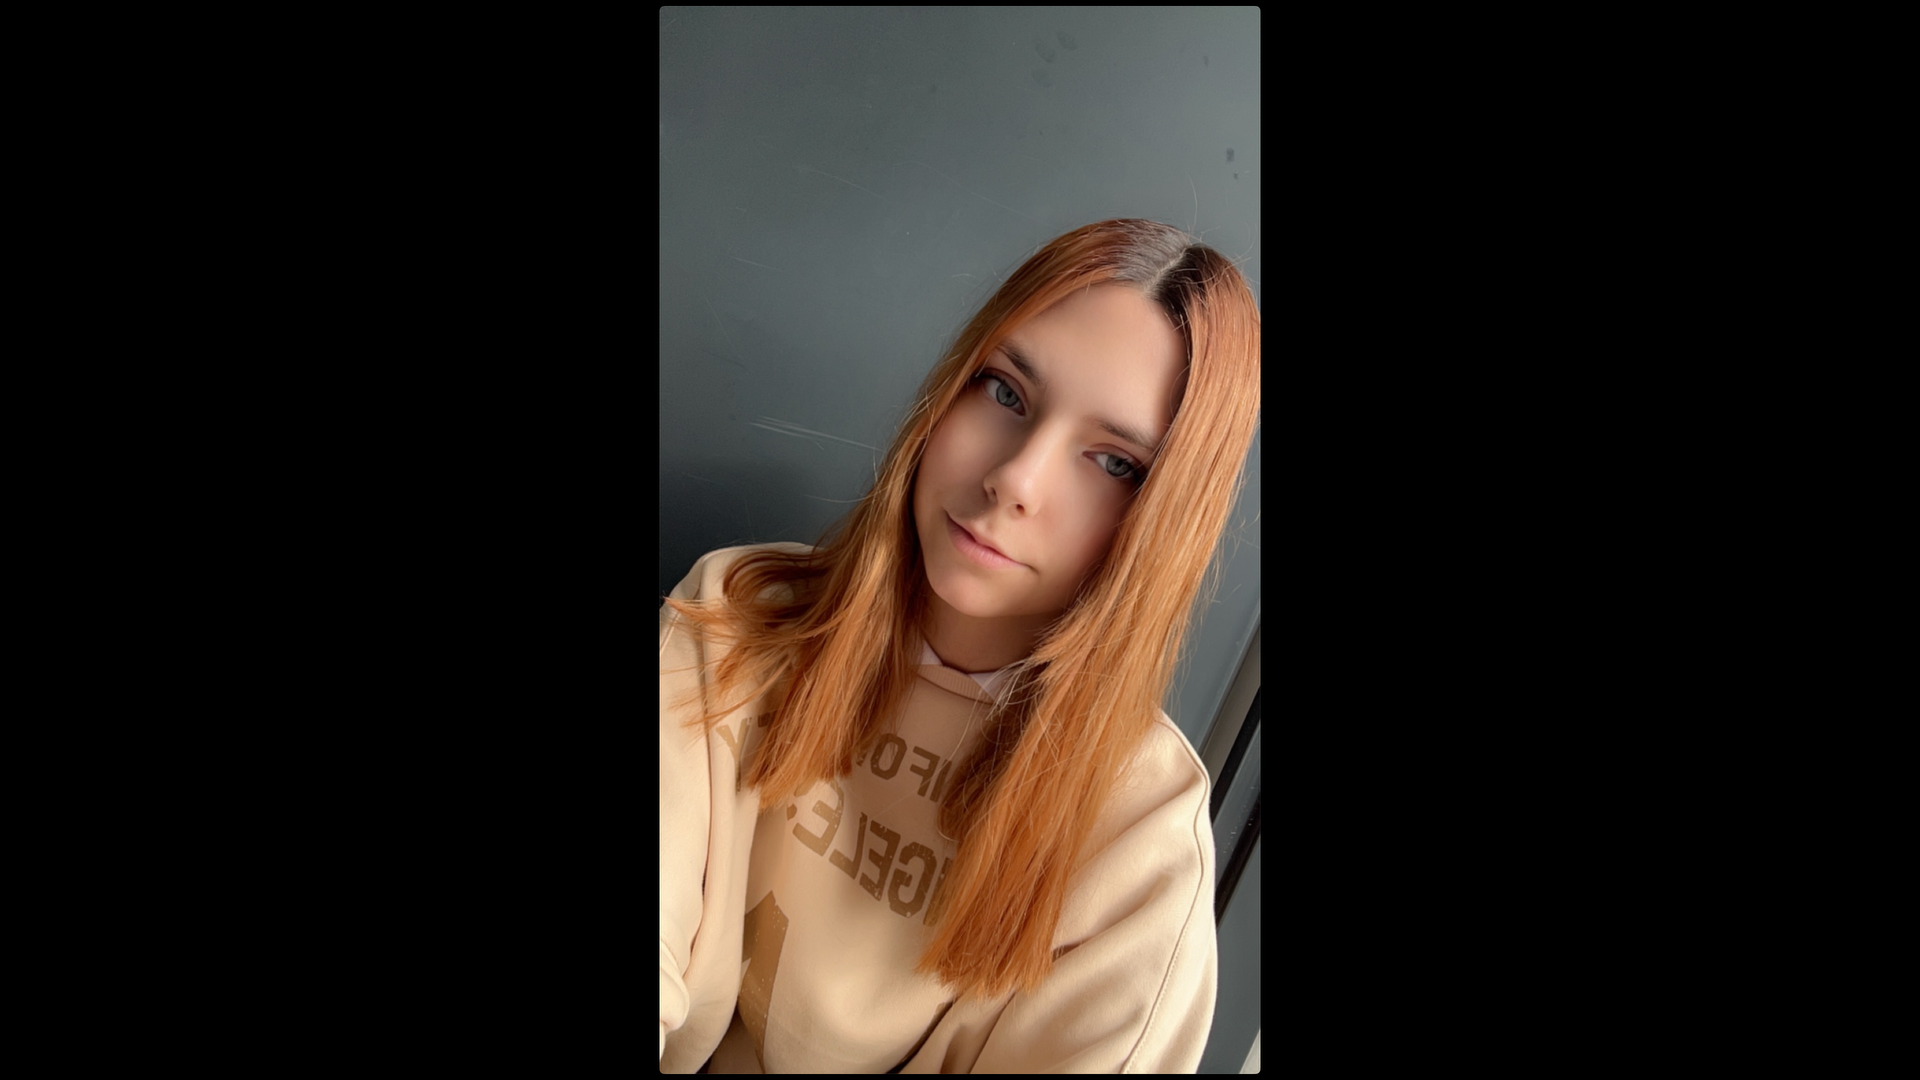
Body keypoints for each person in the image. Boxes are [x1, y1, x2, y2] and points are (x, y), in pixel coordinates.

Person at [659, 218, 1261, 1073]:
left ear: (1165, 520)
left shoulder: (1145, 839)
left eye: (1114, 463)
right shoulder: (737, 617)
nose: (1015, 479)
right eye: (1005, 392)